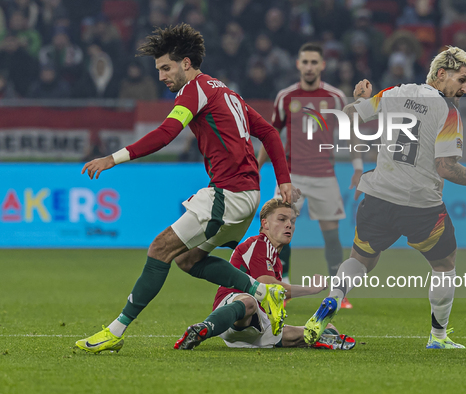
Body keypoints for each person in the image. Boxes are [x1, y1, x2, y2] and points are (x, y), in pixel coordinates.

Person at [75, 24, 294, 354]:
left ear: (186, 63)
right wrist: (284, 179)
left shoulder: (194, 90)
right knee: (188, 259)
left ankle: (115, 331)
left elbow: (165, 134)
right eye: (159, 69)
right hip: (247, 195)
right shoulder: (227, 92)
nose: (162, 76)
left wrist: (113, 158)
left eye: (166, 68)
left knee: (160, 248)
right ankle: (262, 291)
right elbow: (270, 134)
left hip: (229, 193)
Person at [303, 47, 466, 348]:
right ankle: (438, 337)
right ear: (441, 74)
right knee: (444, 265)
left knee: (360, 260)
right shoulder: (448, 112)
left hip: (378, 195)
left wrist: (359, 98)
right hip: (421, 206)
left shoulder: (394, 92)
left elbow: (350, 117)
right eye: (462, 80)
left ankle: (332, 301)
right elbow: (446, 167)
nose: (465, 88)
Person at [174, 198, 356, 350]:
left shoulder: (275, 259)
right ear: (265, 223)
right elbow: (268, 286)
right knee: (249, 301)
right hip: (233, 311)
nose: (289, 225)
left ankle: (320, 338)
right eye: (282, 219)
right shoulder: (258, 244)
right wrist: (311, 289)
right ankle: (203, 328)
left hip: (257, 326)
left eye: (292, 221)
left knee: (328, 329)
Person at [257, 43, 358, 309]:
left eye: (315, 62)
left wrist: (358, 167)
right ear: (298, 65)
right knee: (279, 229)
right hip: (291, 176)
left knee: (331, 234)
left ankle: (338, 292)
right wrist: (256, 166)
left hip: (324, 175)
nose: (310, 67)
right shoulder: (286, 97)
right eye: (306, 62)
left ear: (322, 65)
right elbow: (271, 134)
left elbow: (350, 134)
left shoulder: (335, 97)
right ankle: (282, 285)